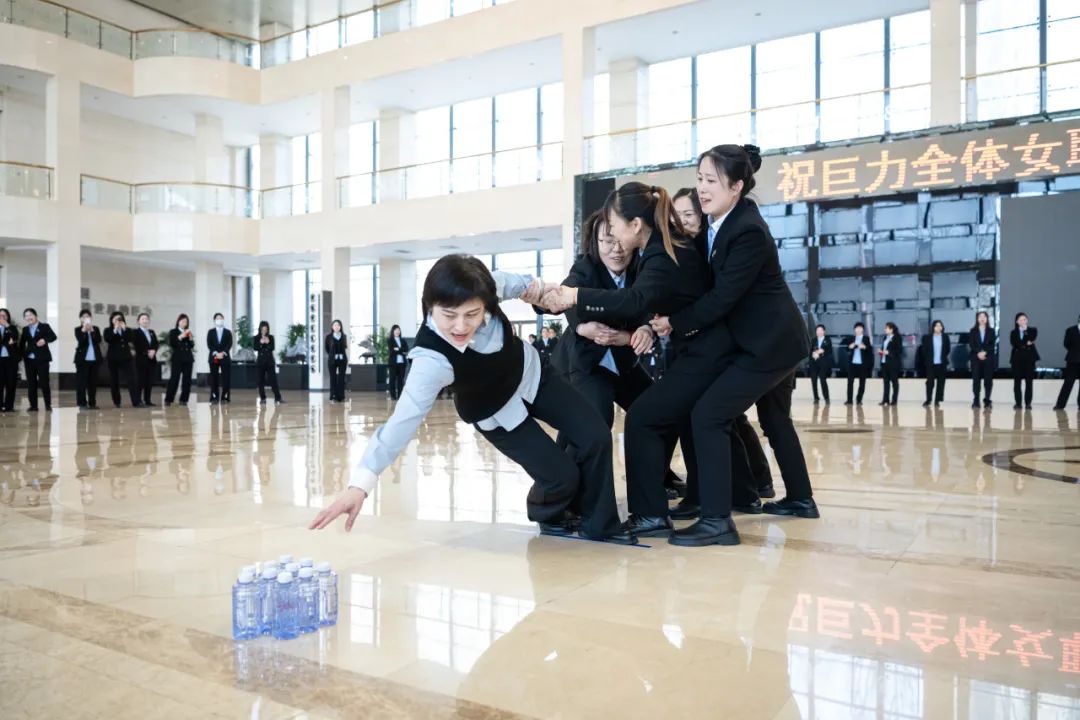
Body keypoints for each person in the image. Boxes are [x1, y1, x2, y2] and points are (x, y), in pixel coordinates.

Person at [310, 255, 636, 545]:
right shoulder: (430, 360)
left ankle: (599, 525)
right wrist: (359, 485)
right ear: (430, 306)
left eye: (472, 314)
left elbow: (520, 284)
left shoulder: (488, 285)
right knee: (561, 477)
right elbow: (401, 422)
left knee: (594, 433)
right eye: (449, 315)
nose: (461, 326)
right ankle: (546, 511)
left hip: (533, 376)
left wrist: (540, 292)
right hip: (495, 411)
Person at [542, 181, 743, 544]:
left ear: (635, 225)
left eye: (616, 230)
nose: (615, 244)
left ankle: (661, 505)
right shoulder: (607, 262)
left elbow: (639, 301)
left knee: (649, 416)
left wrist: (643, 328)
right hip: (590, 363)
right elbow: (570, 299)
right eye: (606, 238)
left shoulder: (653, 257)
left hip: (676, 355)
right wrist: (580, 319)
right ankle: (565, 502)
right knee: (594, 425)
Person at [648, 144, 817, 544]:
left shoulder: (746, 231)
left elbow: (723, 297)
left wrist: (674, 322)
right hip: (767, 340)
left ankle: (717, 521)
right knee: (773, 420)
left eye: (711, 181)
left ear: (737, 186)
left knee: (708, 414)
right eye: (699, 179)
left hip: (770, 344)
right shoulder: (722, 222)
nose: (702, 189)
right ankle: (801, 499)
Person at [19, 308, 57, 412]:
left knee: (44, 382)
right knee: (31, 383)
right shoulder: (25, 329)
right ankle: (33, 406)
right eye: (26, 316)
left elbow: (53, 336)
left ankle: (48, 405)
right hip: (29, 360)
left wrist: (45, 340)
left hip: (42, 359)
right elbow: (22, 344)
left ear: (35, 316)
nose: (29, 317)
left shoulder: (44, 326)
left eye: (30, 315)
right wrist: (23, 356)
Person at [104, 311, 140, 408]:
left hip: (126, 357)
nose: (118, 321)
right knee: (114, 380)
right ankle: (117, 401)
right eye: (116, 319)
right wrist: (115, 329)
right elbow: (108, 339)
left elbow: (130, 339)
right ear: (111, 320)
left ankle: (136, 402)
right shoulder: (108, 330)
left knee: (132, 379)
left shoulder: (127, 330)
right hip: (113, 358)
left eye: (120, 319)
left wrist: (124, 329)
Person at [74, 309, 102, 409]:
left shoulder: (96, 329)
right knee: (81, 383)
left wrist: (92, 330)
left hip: (94, 359)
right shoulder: (78, 329)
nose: (86, 318)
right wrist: (84, 330)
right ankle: (82, 403)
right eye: (83, 317)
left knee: (93, 383)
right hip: (82, 360)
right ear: (80, 319)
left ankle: (92, 403)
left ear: (91, 318)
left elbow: (98, 340)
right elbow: (80, 341)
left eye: (88, 317)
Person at [165, 314, 195, 406]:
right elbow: (173, 343)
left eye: (185, 321)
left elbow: (191, 345)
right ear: (178, 322)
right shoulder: (173, 331)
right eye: (182, 321)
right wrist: (181, 336)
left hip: (188, 358)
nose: (184, 323)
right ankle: (169, 399)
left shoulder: (188, 332)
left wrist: (190, 339)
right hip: (177, 358)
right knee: (174, 378)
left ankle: (184, 399)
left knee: (187, 380)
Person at [1010, 312, 1038, 410]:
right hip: (1017, 360)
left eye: (1024, 319)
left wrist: (1025, 331)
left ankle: (1028, 403)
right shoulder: (1013, 332)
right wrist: (1026, 343)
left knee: (1029, 382)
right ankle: (1018, 403)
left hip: (1029, 359)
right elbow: (1015, 344)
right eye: (1020, 320)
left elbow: (1031, 338)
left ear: (1027, 320)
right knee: (1017, 382)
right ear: (1017, 322)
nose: (1022, 321)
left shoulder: (1033, 330)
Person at [969, 311, 996, 408]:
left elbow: (992, 345)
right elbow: (972, 344)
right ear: (977, 319)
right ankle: (976, 400)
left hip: (988, 358)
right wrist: (979, 352)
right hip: (975, 359)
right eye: (980, 316)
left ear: (987, 319)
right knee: (976, 380)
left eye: (984, 316)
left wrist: (985, 352)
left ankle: (987, 400)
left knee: (988, 381)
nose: (982, 318)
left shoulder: (991, 331)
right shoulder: (973, 331)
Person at [1054, 313, 1080, 410]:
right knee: (1068, 383)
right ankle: (1060, 405)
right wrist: (1075, 352)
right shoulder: (1070, 330)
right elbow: (1066, 344)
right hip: (1072, 361)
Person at [132, 312, 159, 407]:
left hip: (151, 360)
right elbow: (136, 345)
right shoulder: (135, 332)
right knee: (140, 381)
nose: (145, 321)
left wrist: (154, 350)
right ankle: (138, 401)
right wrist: (147, 352)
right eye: (143, 319)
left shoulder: (151, 332)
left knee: (149, 381)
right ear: (138, 321)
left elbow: (156, 343)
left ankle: (147, 400)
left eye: (146, 319)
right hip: (141, 359)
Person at [921, 319, 950, 407]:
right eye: (937, 326)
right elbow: (924, 350)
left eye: (940, 326)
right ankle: (928, 399)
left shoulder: (945, 337)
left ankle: (937, 400)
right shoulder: (927, 337)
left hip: (942, 363)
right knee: (930, 382)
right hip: (931, 364)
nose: (939, 327)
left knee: (940, 382)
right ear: (933, 327)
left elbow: (947, 349)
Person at [255, 321, 284, 404]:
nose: (264, 331)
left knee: (273, 380)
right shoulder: (256, 337)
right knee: (260, 381)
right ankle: (263, 398)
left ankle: (278, 397)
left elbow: (272, 347)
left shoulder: (271, 337)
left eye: (266, 329)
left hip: (269, 361)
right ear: (260, 329)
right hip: (260, 362)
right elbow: (255, 347)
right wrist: (261, 343)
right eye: (263, 329)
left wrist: (268, 343)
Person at [844, 322, 872, 405]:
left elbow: (869, 350)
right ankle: (849, 400)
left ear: (863, 330)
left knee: (862, 383)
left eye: (860, 328)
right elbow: (846, 348)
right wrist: (850, 347)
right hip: (852, 364)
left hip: (862, 364)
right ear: (854, 330)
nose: (858, 330)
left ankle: (859, 400)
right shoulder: (851, 338)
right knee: (850, 382)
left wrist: (864, 347)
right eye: (857, 328)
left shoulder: (866, 338)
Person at [206, 312, 232, 403]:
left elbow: (229, 344)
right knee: (214, 378)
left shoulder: (228, 332)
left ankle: (225, 397)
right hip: (214, 357)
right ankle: (214, 397)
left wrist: (223, 353)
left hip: (225, 357)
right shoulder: (211, 332)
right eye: (217, 318)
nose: (219, 320)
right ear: (214, 321)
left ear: (223, 320)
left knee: (226, 378)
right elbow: (209, 344)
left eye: (221, 318)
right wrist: (216, 353)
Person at [808, 324, 832, 404]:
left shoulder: (827, 340)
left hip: (823, 363)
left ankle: (827, 398)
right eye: (817, 330)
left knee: (822, 379)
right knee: (814, 380)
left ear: (824, 331)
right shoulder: (813, 340)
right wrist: (813, 354)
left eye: (821, 330)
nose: (819, 332)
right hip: (814, 363)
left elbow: (829, 351)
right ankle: (816, 398)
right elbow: (810, 351)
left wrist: (821, 351)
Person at [879, 322, 902, 406]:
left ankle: (894, 400)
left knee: (894, 381)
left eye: (886, 328)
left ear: (891, 329)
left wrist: (889, 352)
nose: (885, 329)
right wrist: (881, 351)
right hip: (884, 362)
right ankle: (885, 399)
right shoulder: (885, 337)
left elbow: (899, 350)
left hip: (893, 363)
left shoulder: (897, 338)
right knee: (885, 382)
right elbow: (884, 348)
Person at [325, 320, 349, 402]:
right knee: (333, 378)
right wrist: (332, 355)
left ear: (340, 327)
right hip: (332, 360)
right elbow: (327, 348)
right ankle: (333, 395)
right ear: (332, 327)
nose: (337, 327)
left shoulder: (344, 336)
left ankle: (341, 396)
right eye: (335, 325)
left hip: (342, 360)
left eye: (338, 325)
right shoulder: (328, 337)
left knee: (341, 378)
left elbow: (345, 347)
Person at [0, 308, 18, 412]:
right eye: (0, 315)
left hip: (11, 360)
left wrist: (7, 326)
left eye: (4, 316)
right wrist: (7, 342)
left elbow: (15, 337)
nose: (2, 317)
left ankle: (9, 406)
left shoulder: (12, 328)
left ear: (8, 317)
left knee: (11, 383)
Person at [387, 324, 409, 400]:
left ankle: (400, 395)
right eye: (396, 330)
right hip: (393, 363)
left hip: (402, 363)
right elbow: (392, 351)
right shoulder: (390, 340)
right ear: (393, 331)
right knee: (392, 379)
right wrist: (401, 350)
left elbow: (406, 349)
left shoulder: (403, 340)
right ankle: (393, 396)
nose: (397, 331)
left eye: (398, 330)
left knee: (400, 380)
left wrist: (398, 349)